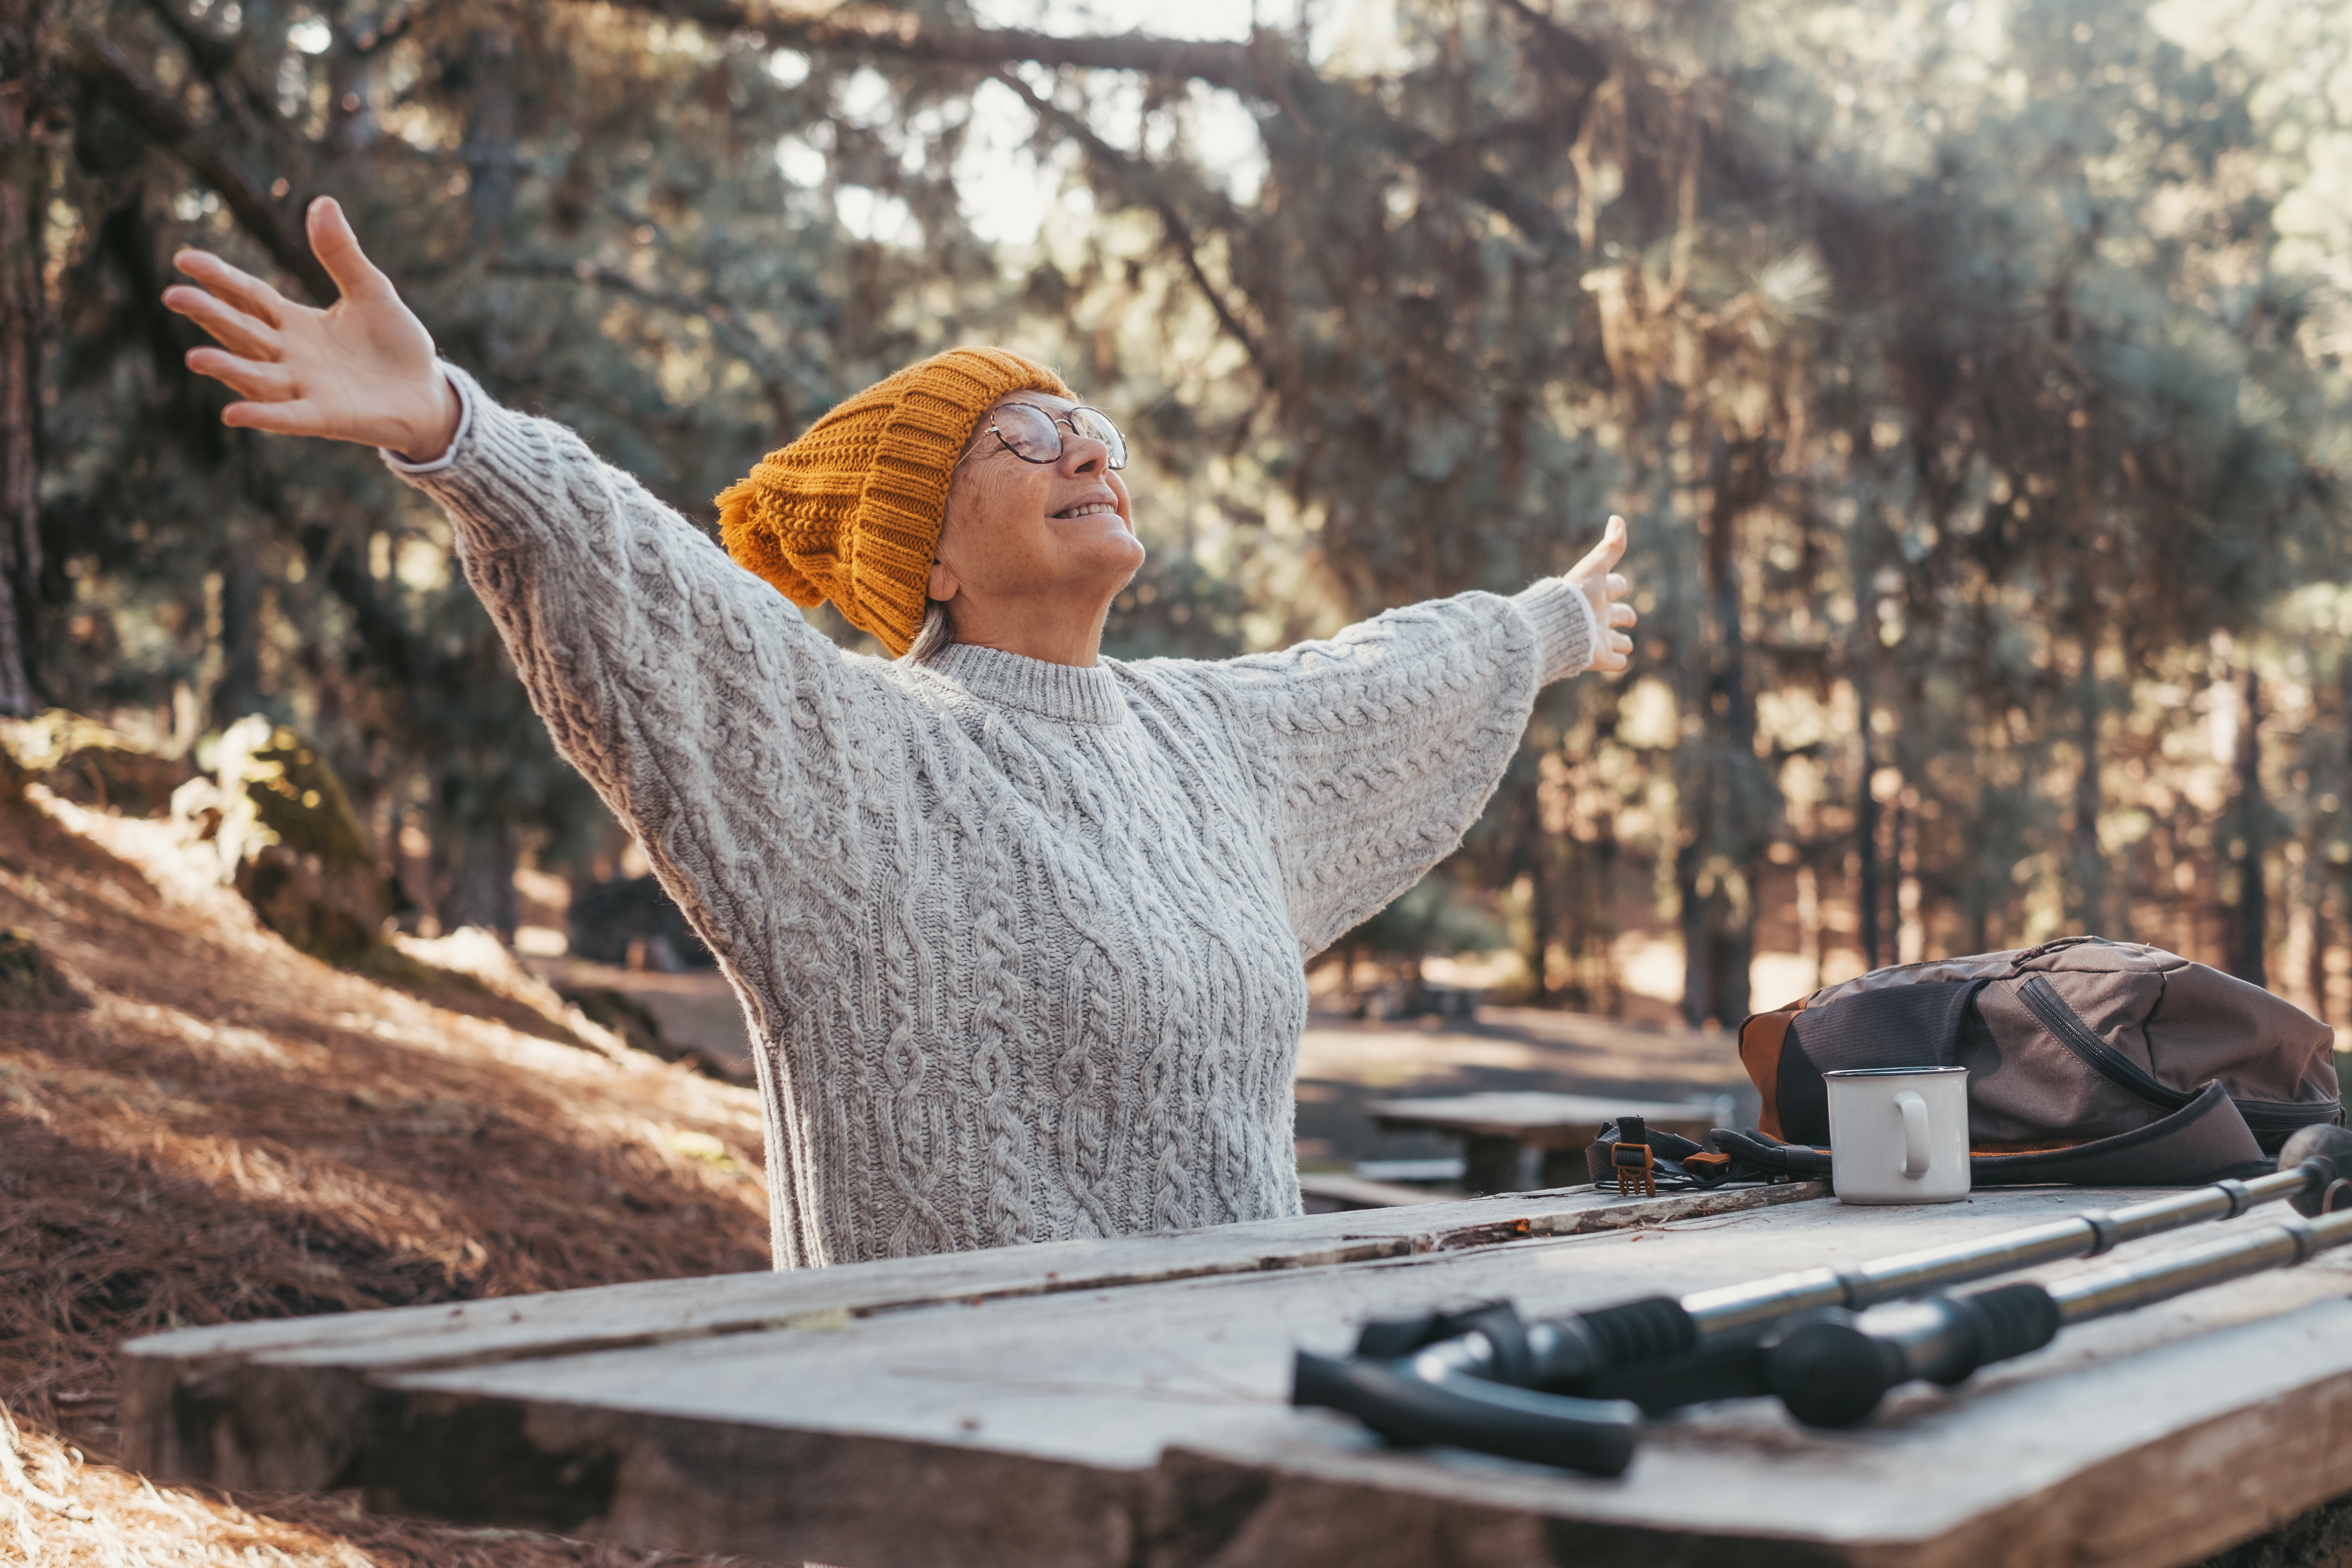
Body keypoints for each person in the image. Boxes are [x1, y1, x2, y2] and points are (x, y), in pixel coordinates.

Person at [163, 198, 1639, 1270]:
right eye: (1027, 436)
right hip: (952, 1470)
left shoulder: (1202, 741)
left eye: (1099, 432)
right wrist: (455, 432)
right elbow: (659, 600)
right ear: (925, 553)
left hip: (1227, 1453)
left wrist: (1548, 623)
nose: (1088, 450)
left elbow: (1373, 684)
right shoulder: (863, 768)